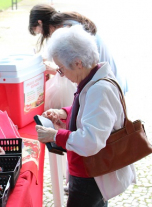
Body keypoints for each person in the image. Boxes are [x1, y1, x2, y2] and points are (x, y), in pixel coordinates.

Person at [35, 25, 136, 206]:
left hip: (91, 175)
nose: (62, 74)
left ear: (78, 63)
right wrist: (64, 112)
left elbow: (91, 141)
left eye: (61, 69)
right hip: (89, 171)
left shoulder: (99, 89)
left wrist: (55, 135)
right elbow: (87, 109)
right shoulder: (92, 78)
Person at [29, 4, 128, 95]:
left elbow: (76, 70)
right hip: (110, 79)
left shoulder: (68, 34)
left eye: (39, 32)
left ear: (40, 23)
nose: (43, 35)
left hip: (108, 87)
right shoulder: (68, 23)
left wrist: (56, 70)